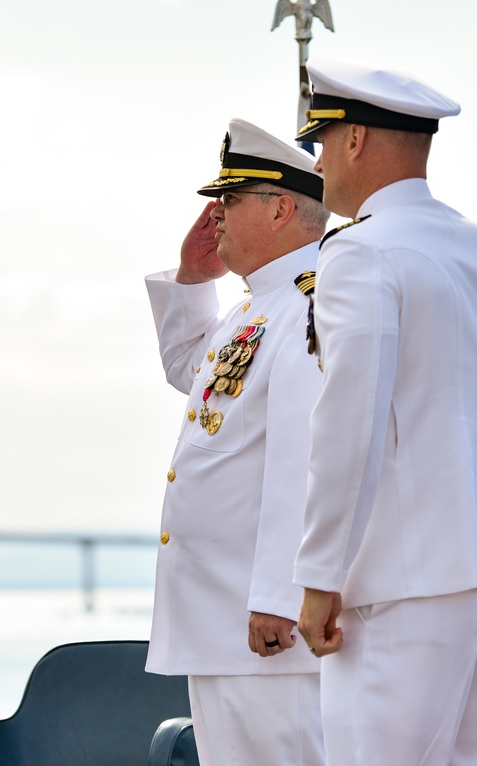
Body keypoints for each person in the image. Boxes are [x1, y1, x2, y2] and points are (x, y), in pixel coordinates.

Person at [292, 58, 477, 765]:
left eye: (323, 139)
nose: (316, 159)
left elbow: (349, 424)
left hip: (399, 585)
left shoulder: (361, 252)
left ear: (354, 142)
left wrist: (321, 578)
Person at [144, 119, 329, 766]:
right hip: (228, 622)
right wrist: (195, 279)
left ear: (281, 208)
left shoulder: (312, 305)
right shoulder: (259, 305)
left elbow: (304, 462)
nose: (214, 216)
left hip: (268, 628)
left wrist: (279, 595)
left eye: (230, 201)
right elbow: (199, 383)